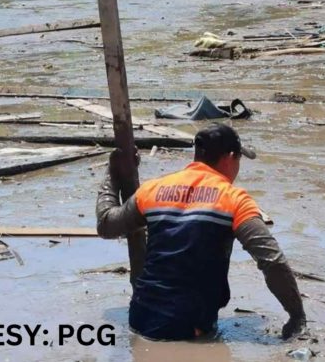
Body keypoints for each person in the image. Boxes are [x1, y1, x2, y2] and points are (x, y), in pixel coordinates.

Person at [95, 123, 307, 341]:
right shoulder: (234, 200)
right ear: (230, 157)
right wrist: (297, 316)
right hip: (188, 328)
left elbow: (106, 224)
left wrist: (112, 175)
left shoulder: (153, 189)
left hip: (138, 318)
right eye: (239, 160)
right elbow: (272, 261)